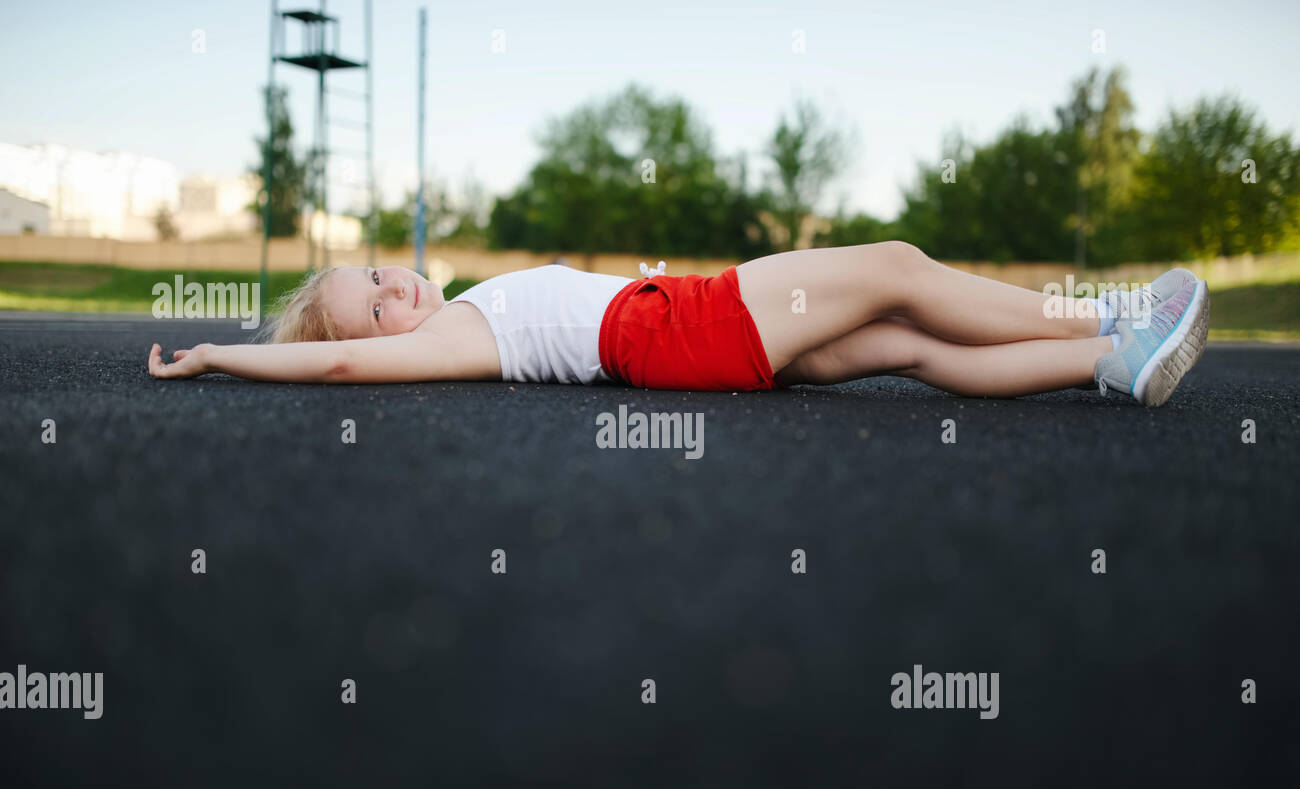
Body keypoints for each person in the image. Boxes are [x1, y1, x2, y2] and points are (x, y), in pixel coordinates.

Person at [147, 241, 1210, 408]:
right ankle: (1112, 311)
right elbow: (330, 365)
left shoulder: (459, 315)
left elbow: (342, 346)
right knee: (894, 268)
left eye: (382, 273)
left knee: (904, 341)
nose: (397, 293)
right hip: (683, 324)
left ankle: (1106, 362)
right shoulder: (447, 344)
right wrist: (216, 352)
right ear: (380, 341)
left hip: (680, 337)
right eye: (374, 309)